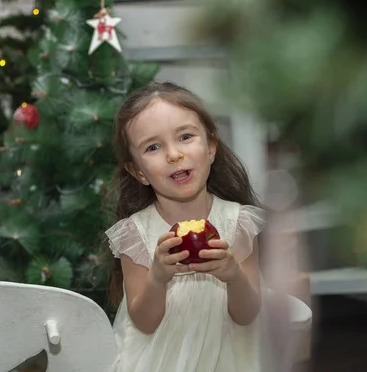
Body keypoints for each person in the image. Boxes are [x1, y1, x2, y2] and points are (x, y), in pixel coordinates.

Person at [103, 81, 270, 371]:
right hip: (160, 361)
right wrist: (157, 277)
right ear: (138, 171)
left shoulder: (238, 223)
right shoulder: (136, 234)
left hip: (229, 359)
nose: (173, 154)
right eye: (153, 146)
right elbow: (143, 322)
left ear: (211, 148)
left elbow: (248, 314)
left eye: (185, 137)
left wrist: (233, 276)